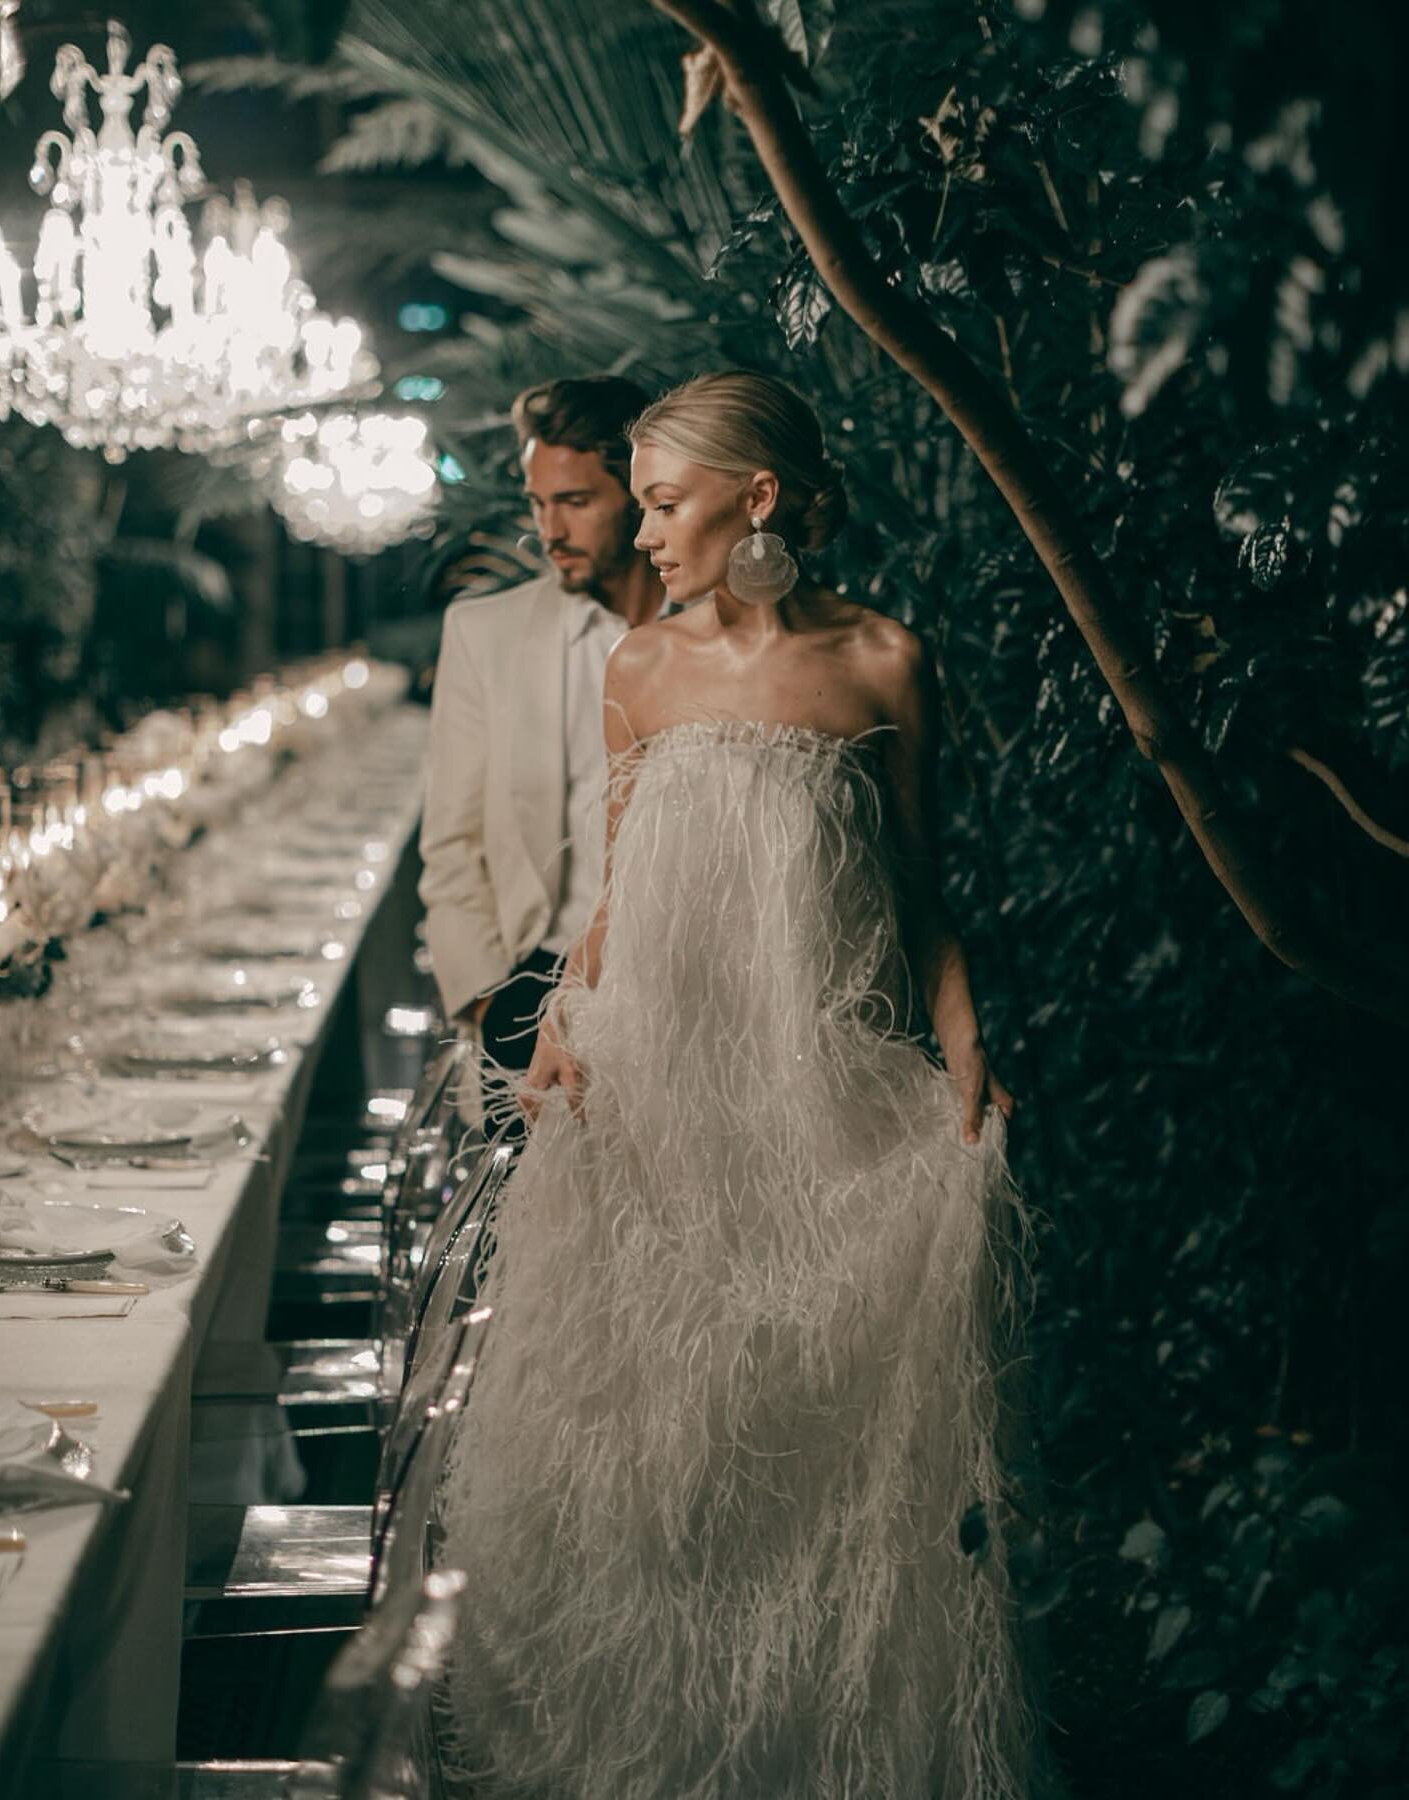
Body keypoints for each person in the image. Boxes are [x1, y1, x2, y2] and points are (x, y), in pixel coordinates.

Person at [436, 372, 1053, 1798]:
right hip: (653, 1103)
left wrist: (962, 1043)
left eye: (662, 502)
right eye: (639, 503)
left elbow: (917, 887)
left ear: (755, 499)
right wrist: (561, 1025)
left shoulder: (885, 662)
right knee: (651, 1459)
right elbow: (619, 885)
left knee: (810, 1465)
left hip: (818, 1098)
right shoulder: (639, 672)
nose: (647, 535)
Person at [417, 375, 670, 1116]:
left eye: (575, 502)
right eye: (537, 503)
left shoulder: (719, 639)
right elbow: (452, 846)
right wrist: (486, 1005)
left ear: (640, 495)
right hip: (533, 989)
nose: (548, 530)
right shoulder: (483, 633)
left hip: (682, 993)